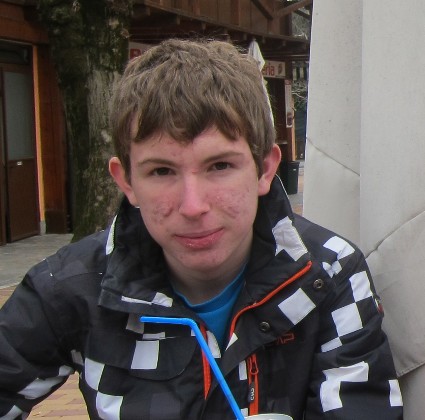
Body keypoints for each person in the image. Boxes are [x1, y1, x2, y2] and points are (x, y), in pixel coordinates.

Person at [0, 39, 402, 420]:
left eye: (220, 166)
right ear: (127, 182)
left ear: (265, 169)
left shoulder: (330, 274)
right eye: (162, 171)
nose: (193, 206)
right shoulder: (70, 289)